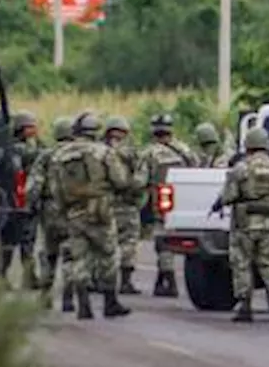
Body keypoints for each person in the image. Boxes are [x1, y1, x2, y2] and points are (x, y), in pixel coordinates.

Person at [50, 112, 132, 320]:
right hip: (101, 210)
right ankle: (109, 302)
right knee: (108, 255)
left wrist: (63, 210)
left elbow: (55, 188)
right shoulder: (104, 152)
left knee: (79, 257)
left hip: (74, 211)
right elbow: (121, 181)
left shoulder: (60, 155)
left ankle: (83, 304)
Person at [216, 126, 269, 323]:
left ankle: (245, 306)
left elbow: (229, 195)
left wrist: (220, 203)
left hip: (245, 224)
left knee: (241, 263)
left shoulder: (242, 167)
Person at [140, 113, 197, 297]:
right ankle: (161, 280)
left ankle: (170, 281)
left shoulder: (149, 153)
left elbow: (140, 180)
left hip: (161, 200)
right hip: (183, 201)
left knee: (163, 240)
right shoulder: (185, 150)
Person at [25, 115, 75, 307]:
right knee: (71, 253)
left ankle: (45, 295)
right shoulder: (82, 154)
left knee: (49, 252)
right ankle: (68, 297)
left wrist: (31, 205)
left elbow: (34, 185)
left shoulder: (47, 155)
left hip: (51, 209)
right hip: (75, 209)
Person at [104, 114, 149, 296]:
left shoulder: (99, 151)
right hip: (127, 204)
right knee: (128, 243)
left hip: (104, 204)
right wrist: (131, 189)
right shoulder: (133, 152)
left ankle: (102, 281)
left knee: (105, 243)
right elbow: (141, 178)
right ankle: (125, 282)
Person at [7, 111, 44, 291]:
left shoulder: (17, 147)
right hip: (20, 200)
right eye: (30, 127)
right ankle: (27, 276)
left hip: (24, 199)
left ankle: (28, 275)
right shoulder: (19, 149)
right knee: (22, 240)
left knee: (26, 240)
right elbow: (38, 156)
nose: (34, 130)